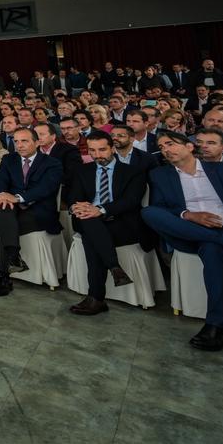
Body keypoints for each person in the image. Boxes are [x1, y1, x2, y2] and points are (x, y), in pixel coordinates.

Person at [142, 131, 223, 351]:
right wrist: (189, 215)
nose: (166, 149)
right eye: (162, 146)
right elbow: (161, 207)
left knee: (213, 249)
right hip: (190, 232)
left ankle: (216, 328)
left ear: (190, 147)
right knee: (149, 212)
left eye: (171, 144)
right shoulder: (160, 174)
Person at [66, 132, 146, 315]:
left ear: (112, 148)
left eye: (102, 149)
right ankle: (114, 267)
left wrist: (100, 209)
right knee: (88, 221)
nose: (97, 155)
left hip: (120, 222)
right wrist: (76, 207)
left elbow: (131, 201)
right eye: (92, 150)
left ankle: (96, 298)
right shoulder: (82, 170)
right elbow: (73, 197)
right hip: (88, 219)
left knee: (91, 234)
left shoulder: (132, 172)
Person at [0, 128, 64, 297]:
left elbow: (46, 189)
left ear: (37, 143)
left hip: (38, 210)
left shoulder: (52, 163)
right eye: (16, 141)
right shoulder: (9, 159)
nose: (19, 145)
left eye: (25, 141)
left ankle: (3, 275)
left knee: (4, 224)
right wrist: (1, 195)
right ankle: (12, 258)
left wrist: (18, 197)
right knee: (2, 207)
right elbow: (0, 182)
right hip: (10, 208)